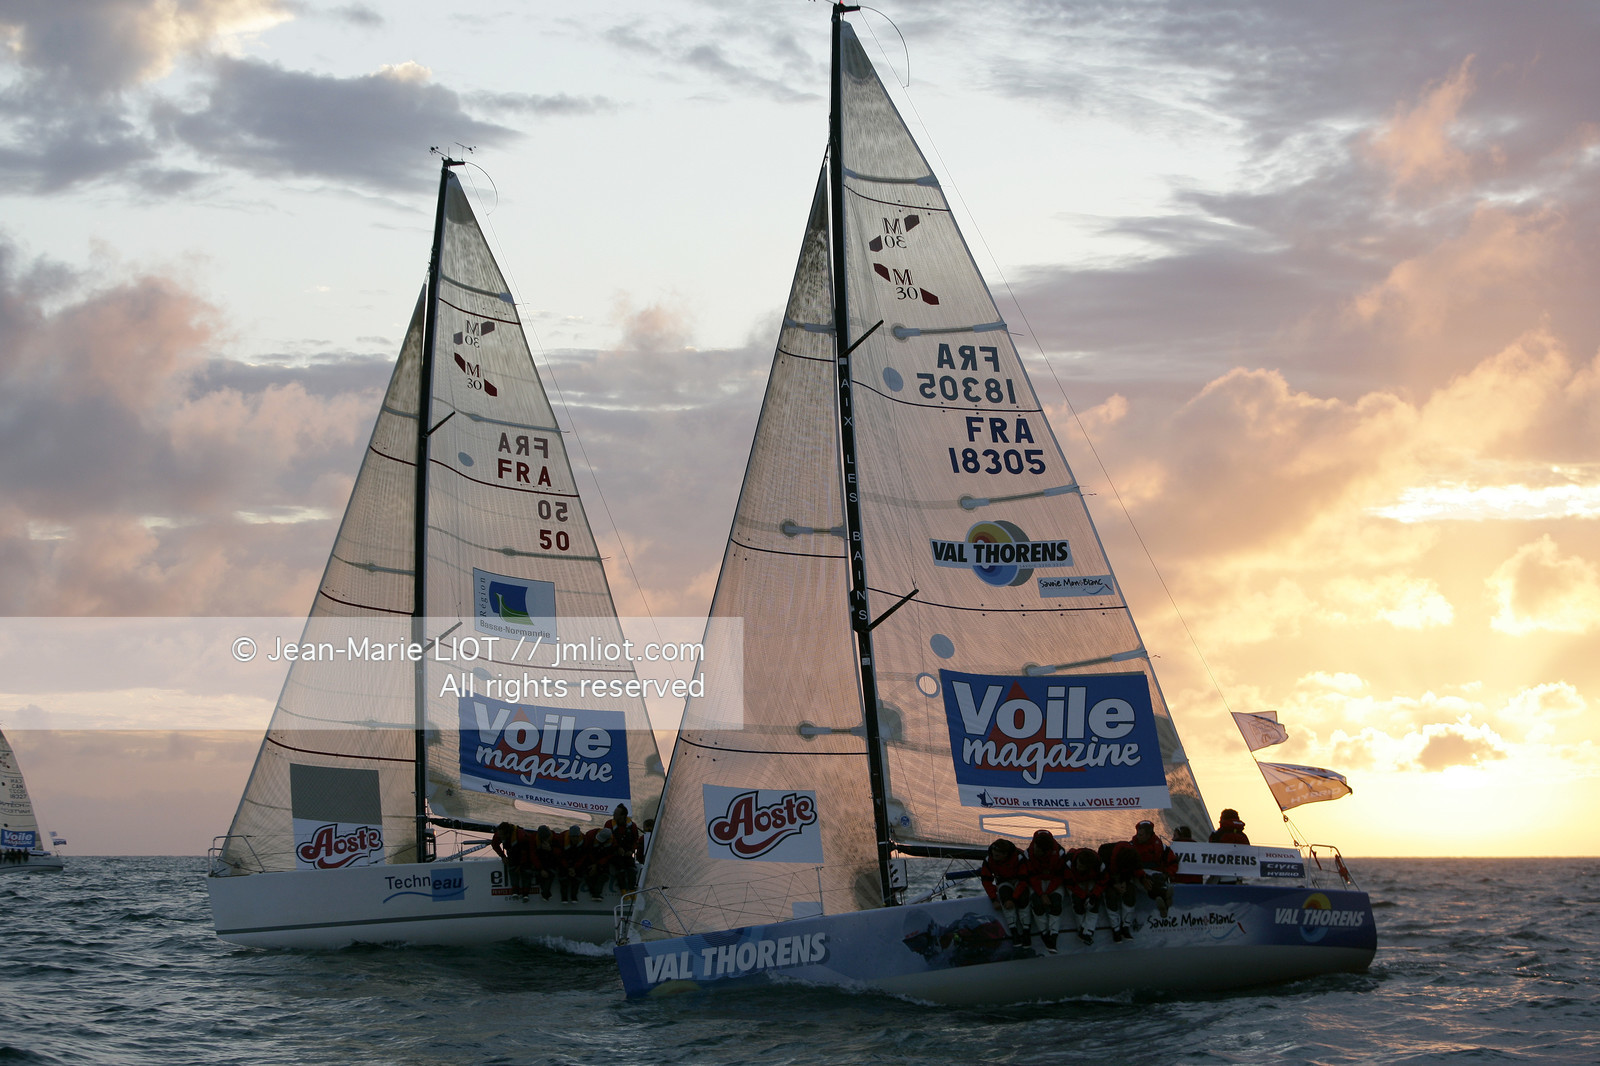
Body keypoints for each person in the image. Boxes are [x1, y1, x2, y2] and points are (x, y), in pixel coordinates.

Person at [978, 838, 1031, 948]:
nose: (994, 857)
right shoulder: (989, 860)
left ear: (1006, 854)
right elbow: (986, 881)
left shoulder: (1019, 857)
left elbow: (1023, 881)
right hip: (1003, 881)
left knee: (1023, 897)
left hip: (1019, 880)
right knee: (1004, 896)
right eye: (994, 854)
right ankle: (1014, 931)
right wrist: (993, 899)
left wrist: (1014, 899)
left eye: (997, 856)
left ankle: (1026, 932)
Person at [1025, 830, 1069, 953]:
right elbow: (1031, 877)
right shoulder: (1028, 854)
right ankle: (1045, 935)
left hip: (1053, 882)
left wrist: (1048, 892)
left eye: (1039, 850)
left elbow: (1059, 876)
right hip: (1037, 883)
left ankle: (1053, 936)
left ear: (1047, 851)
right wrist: (1041, 894)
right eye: (1036, 848)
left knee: (1056, 903)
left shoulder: (1060, 854)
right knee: (1037, 904)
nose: (1036, 851)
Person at [1101, 840, 1147, 942]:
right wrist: (1114, 883)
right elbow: (1103, 874)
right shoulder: (1105, 852)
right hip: (1109, 878)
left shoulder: (1133, 856)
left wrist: (1125, 881)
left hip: (1123, 877)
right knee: (1111, 894)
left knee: (1130, 892)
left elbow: (1134, 869)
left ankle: (1125, 927)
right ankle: (1115, 929)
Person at [1129, 820, 1177, 916]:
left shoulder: (1161, 847)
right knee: (1150, 883)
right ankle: (1164, 898)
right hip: (1139, 876)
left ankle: (1163, 900)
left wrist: (1168, 874)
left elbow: (1173, 862)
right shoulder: (1131, 846)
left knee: (1155, 880)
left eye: (1141, 835)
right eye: (1138, 834)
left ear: (1148, 835)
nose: (1138, 836)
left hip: (1156, 875)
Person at [1063, 846, 1104, 945]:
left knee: (1094, 902)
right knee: (1077, 901)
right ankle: (1082, 929)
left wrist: (1094, 895)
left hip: (1089, 880)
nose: (1078, 867)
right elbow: (1069, 883)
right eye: (1078, 865)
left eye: (1081, 867)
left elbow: (1103, 881)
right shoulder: (1068, 863)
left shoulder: (1099, 865)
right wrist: (1083, 896)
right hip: (1075, 883)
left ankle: (1088, 931)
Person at [490, 822, 536, 901]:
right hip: (512, 854)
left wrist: (520, 865)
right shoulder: (499, 834)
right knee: (512, 870)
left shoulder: (521, 836)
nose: (500, 837)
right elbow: (494, 844)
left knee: (526, 871)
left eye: (502, 835)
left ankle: (525, 894)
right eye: (499, 835)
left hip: (525, 854)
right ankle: (515, 891)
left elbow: (527, 852)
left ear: (507, 834)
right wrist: (503, 856)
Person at [605, 805, 643, 891]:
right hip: (614, 854)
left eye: (616, 814)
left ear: (623, 816)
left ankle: (632, 891)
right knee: (620, 869)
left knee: (632, 870)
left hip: (627, 853)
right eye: (614, 813)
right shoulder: (609, 824)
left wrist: (631, 851)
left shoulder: (632, 826)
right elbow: (607, 840)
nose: (614, 815)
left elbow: (636, 841)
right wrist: (617, 848)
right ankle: (623, 891)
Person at [581, 826, 617, 901]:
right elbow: (586, 851)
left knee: (604, 875)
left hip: (602, 859)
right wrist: (593, 864)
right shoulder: (590, 835)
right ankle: (594, 892)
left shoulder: (613, 842)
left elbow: (609, 855)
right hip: (589, 858)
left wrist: (597, 865)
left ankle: (596, 894)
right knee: (589, 873)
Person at [556, 826, 587, 904]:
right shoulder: (561, 839)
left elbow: (583, 856)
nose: (575, 839)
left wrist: (574, 868)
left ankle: (574, 895)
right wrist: (568, 867)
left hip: (577, 863)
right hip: (564, 862)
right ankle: (564, 897)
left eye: (577, 837)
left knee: (578, 877)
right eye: (573, 837)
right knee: (563, 878)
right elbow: (559, 856)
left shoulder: (584, 840)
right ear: (570, 836)